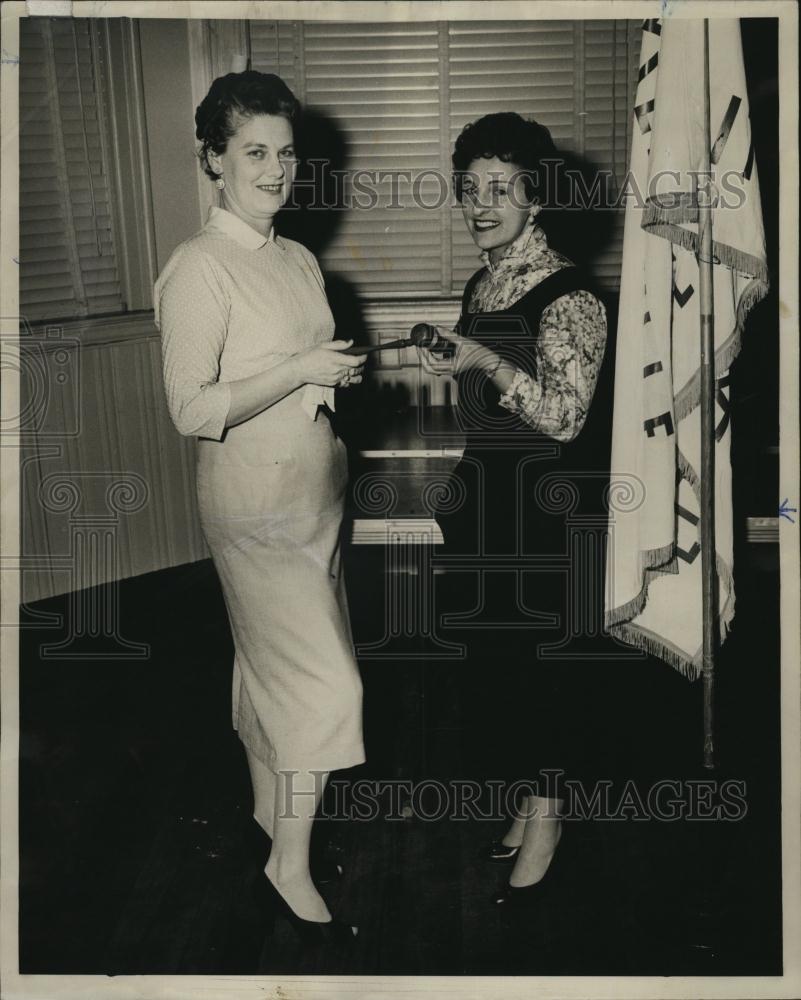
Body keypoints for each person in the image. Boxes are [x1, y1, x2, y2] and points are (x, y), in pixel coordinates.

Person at [154, 71, 366, 943]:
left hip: (314, 493)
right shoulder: (200, 268)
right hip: (254, 505)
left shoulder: (292, 256)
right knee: (326, 682)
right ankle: (288, 862)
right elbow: (193, 409)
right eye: (254, 153)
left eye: (284, 153)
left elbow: (297, 364)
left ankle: (263, 811)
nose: (276, 170)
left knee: (269, 663)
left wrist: (330, 379)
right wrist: (300, 372)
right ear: (212, 159)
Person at [420, 112, 610, 905]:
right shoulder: (484, 282)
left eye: (500, 188)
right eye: (470, 189)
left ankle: (549, 816)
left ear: (536, 197)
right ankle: (529, 801)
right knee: (494, 670)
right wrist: (458, 363)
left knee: (544, 677)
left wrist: (485, 361)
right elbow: (488, 397)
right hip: (486, 503)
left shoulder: (575, 296)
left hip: (544, 515)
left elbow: (565, 417)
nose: (480, 203)